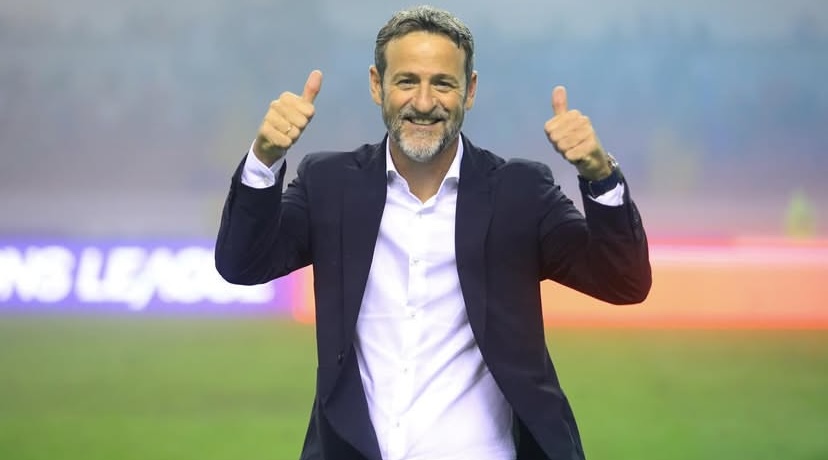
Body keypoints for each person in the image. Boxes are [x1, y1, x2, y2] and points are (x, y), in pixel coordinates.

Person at [215, 5, 651, 460]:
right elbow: (241, 264)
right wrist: (264, 159)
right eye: (407, 81)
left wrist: (599, 174)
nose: (424, 103)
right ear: (377, 84)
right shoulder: (329, 184)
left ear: (470, 90)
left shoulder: (520, 192)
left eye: (442, 83)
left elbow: (624, 281)